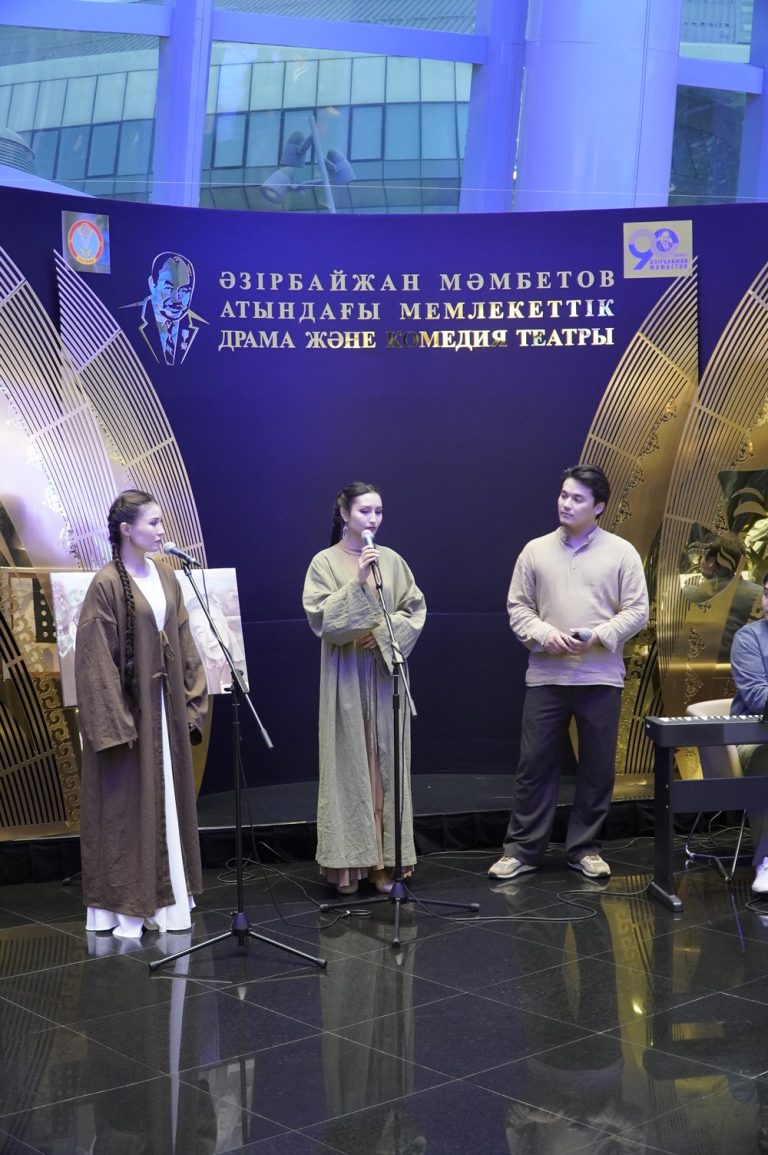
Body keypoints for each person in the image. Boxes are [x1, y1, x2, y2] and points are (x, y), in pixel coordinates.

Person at [489, 465, 649, 881]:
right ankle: (522, 850)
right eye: (563, 495)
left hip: (601, 677)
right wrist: (545, 634)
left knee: (597, 768)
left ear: (599, 507)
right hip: (546, 676)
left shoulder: (622, 552)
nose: (566, 503)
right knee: (534, 766)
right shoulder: (535, 550)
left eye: (577, 498)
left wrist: (597, 635)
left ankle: (585, 848)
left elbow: (638, 611)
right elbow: (518, 607)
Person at [74, 489, 208, 937]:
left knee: (167, 802)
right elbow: (95, 662)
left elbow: (185, 644)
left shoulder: (167, 577)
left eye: (161, 522)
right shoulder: (106, 584)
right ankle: (127, 907)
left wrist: (191, 702)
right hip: (131, 722)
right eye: (153, 523)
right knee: (127, 810)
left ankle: (169, 902)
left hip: (165, 715)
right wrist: (119, 725)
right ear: (126, 530)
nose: (162, 530)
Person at [302, 482, 426, 896]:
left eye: (378, 511)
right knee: (353, 766)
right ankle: (350, 864)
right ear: (344, 514)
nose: (373, 519)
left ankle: (384, 864)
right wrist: (357, 582)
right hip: (347, 678)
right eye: (364, 511)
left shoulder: (392, 561)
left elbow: (414, 610)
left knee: (385, 766)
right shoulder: (324, 562)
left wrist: (385, 635)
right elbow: (323, 620)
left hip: (384, 676)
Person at [728, 572, 768, 893]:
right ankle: (766, 859)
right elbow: (757, 696)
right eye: (767, 593)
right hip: (755, 734)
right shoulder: (748, 638)